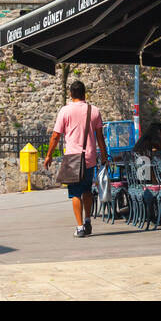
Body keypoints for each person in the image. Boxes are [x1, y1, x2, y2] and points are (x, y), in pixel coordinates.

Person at [44, 80, 108, 237]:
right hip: (90, 157)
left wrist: (49, 155)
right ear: (84, 93)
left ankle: (79, 228)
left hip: (72, 158)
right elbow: (100, 136)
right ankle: (87, 221)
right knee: (87, 190)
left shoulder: (65, 111)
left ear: (71, 94)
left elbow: (56, 135)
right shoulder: (94, 111)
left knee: (74, 193)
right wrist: (104, 154)